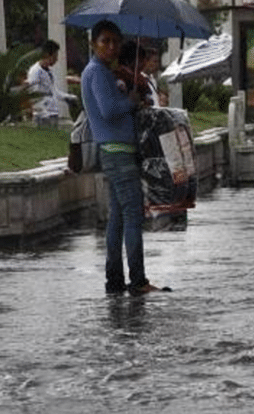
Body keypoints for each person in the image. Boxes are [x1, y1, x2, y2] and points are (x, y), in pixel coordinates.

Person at [81, 20, 162, 295]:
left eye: (115, 42)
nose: (112, 47)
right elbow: (108, 110)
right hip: (116, 152)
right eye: (105, 41)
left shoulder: (105, 72)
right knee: (133, 213)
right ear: (94, 43)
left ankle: (114, 281)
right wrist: (131, 100)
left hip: (119, 151)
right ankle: (137, 280)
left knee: (117, 217)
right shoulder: (97, 73)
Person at [26, 39, 77, 128]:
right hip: (43, 115)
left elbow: (54, 92)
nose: (56, 59)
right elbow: (32, 92)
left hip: (53, 113)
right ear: (47, 55)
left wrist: (69, 97)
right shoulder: (35, 71)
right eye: (55, 56)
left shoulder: (49, 72)